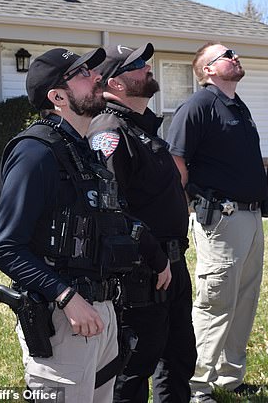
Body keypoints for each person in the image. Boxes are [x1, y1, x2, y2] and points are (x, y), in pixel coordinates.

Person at [0, 47, 139, 403]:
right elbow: (6, 248)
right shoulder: (35, 152)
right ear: (58, 97)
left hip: (100, 312)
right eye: (83, 74)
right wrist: (67, 297)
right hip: (64, 319)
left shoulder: (82, 150)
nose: (97, 76)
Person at [86, 43, 196, 403]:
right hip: (142, 272)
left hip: (172, 266)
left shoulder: (144, 128)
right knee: (134, 368)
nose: (147, 68)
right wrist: (153, 258)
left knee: (179, 358)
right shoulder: (110, 130)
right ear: (114, 84)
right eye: (137, 65)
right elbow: (109, 207)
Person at [166, 42, 268, 403]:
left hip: (252, 216)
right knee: (215, 301)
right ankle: (196, 385)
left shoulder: (237, 106)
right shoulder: (197, 106)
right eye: (226, 55)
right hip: (221, 220)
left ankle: (230, 377)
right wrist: (186, 210)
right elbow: (176, 163)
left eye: (235, 52)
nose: (235, 57)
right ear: (207, 70)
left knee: (244, 299)